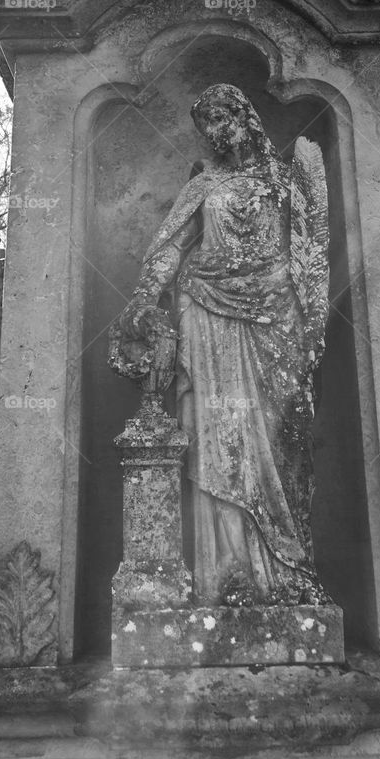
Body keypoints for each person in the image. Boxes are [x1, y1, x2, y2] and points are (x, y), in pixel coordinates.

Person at [118, 83, 331, 607]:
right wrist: (146, 297)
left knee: (281, 446)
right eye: (207, 122)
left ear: (246, 115)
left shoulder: (284, 180)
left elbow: (309, 249)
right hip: (207, 314)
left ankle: (284, 572)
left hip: (275, 324)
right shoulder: (203, 185)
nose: (216, 130)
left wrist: (306, 319)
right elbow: (170, 248)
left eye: (223, 116)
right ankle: (229, 577)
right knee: (218, 442)